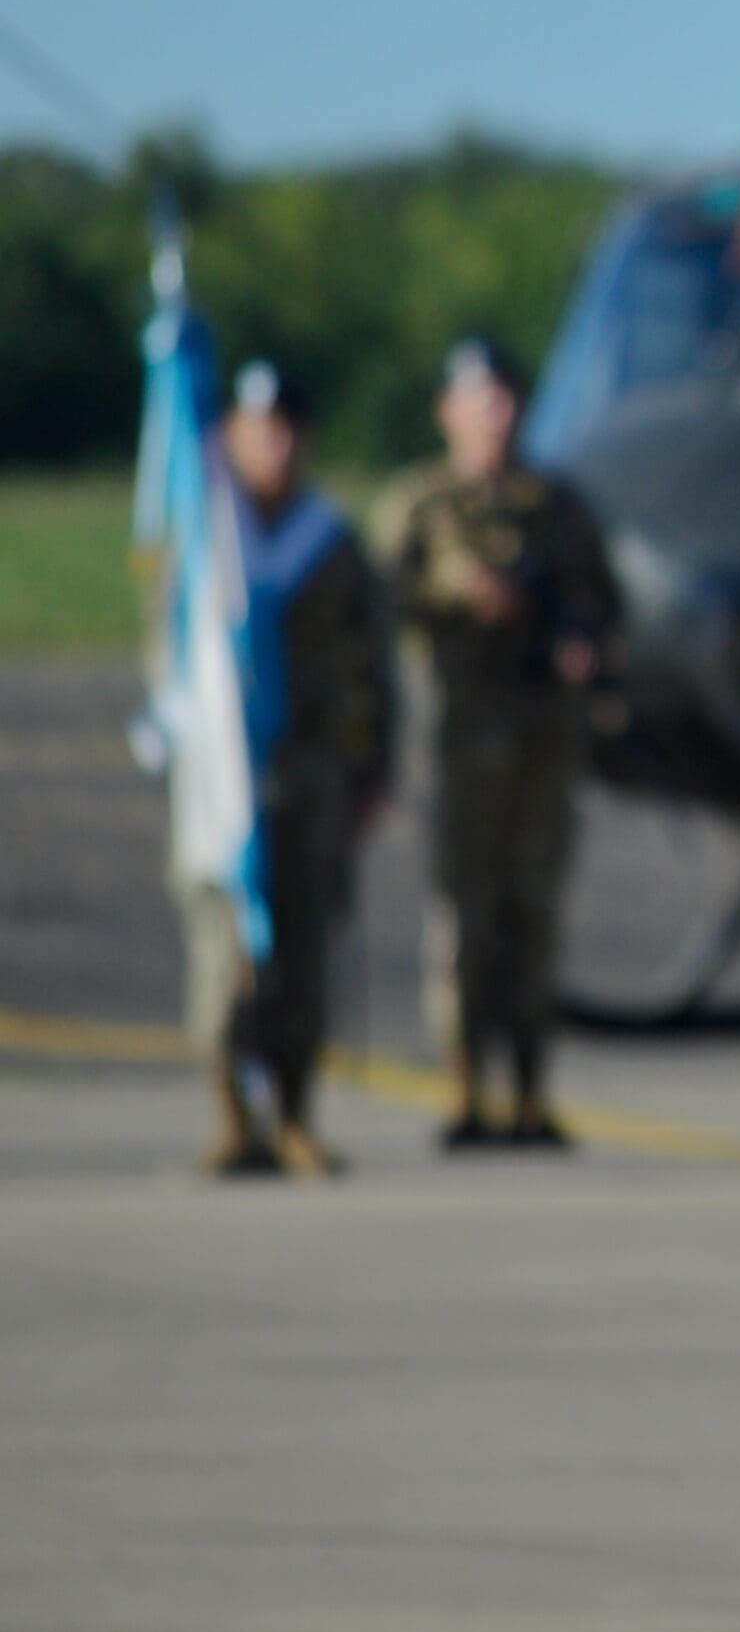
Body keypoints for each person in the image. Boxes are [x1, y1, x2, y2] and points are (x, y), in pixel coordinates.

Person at [377, 338, 622, 1150]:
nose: (498, 418)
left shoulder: (559, 507)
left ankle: (527, 1093)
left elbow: (603, 606)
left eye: (508, 401)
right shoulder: (420, 505)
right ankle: (463, 1090)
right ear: (450, 413)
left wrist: (581, 641)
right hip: (461, 741)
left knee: (535, 912)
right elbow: (380, 606)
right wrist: (460, 591)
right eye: (481, 402)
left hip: (543, 741)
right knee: (462, 917)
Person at [173, 362, 393, 1176]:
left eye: (290, 428)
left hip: (311, 776)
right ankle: (232, 1117)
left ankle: (295, 1113)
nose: (275, 443)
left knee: (303, 945)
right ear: (229, 433)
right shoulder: (204, 540)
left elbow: (374, 664)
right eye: (259, 427)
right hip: (223, 783)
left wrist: (377, 767)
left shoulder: (329, 543)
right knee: (221, 949)